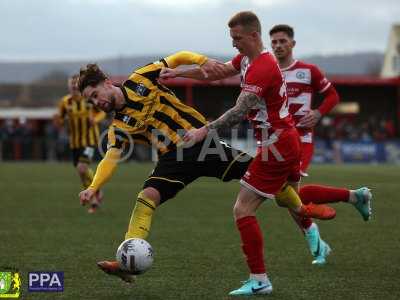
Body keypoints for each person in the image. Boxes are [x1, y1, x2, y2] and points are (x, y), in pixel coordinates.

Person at [162, 12, 372, 296]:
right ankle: (353, 198)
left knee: (242, 209)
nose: (234, 44)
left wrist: (203, 131)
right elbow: (217, 72)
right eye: (231, 38)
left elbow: (237, 113)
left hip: (275, 144)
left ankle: (260, 279)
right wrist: (178, 73)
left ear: (253, 36)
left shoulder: (263, 67)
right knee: (292, 199)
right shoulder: (247, 59)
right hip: (285, 140)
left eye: (237, 38)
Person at [77, 51, 329, 283]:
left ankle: (302, 209)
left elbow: (175, 59)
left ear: (107, 82)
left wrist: (200, 61)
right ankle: (127, 262)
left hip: (202, 143)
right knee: (145, 198)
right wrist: (94, 186)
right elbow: (110, 158)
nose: (96, 102)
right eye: (91, 101)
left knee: (260, 174)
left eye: (95, 95)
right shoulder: (118, 126)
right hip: (172, 159)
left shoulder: (141, 77)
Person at [269, 24, 372, 263]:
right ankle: (354, 197)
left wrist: (318, 112)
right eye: (274, 42)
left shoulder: (308, 70)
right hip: (277, 141)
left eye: (283, 41)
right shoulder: (269, 72)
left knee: (286, 194)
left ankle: (317, 243)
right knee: (288, 195)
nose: (278, 45)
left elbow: (333, 95)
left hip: (302, 140)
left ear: (292, 44)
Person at [55, 74, 106, 213]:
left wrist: (94, 120)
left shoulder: (88, 99)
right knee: (81, 173)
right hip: (74, 143)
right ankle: (96, 195)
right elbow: (59, 119)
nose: (73, 86)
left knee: (82, 168)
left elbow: (102, 113)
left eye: (75, 83)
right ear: (68, 86)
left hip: (89, 141)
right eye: (71, 84)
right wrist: (59, 121)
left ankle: (95, 198)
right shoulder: (65, 102)